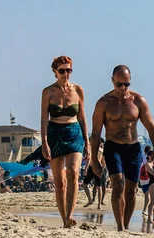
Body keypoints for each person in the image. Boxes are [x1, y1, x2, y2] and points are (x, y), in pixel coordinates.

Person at [90, 65, 154, 231]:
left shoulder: (138, 101)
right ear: (112, 81)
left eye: (126, 84)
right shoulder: (104, 103)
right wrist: (94, 159)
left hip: (133, 148)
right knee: (118, 185)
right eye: (119, 84)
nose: (123, 88)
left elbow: (151, 127)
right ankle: (120, 226)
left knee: (131, 190)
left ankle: (126, 226)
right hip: (113, 146)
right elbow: (95, 133)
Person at [41, 55, 89, 228]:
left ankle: (70, 215)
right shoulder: (48, 92)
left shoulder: (78, 90)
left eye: (69, 70)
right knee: (60, 182)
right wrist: (44, 141)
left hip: (74, 132)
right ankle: (64, 220)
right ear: (55, 72)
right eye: (62, 70)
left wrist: (87, 143)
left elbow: (83, 118)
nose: (66, 74)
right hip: (55, 133)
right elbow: (44, 120)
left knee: (74, 172)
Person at [83, 140, 106, 209]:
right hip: (99, 168)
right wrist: (102, 169)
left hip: (92, 167)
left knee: (85, 184)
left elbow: (89, 159)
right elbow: (104, 161)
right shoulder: (101, 150)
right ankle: (99, 205)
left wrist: (85, 169)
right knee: (99, 187)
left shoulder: (91, 149)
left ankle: (90, 199)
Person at [139, 145, 152, 216]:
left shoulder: (141, 157)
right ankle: (145, 210)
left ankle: (145, 210)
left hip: (142, 178)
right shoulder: (148, 158)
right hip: (148, 178)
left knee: (147, 195)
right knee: (148, 196)